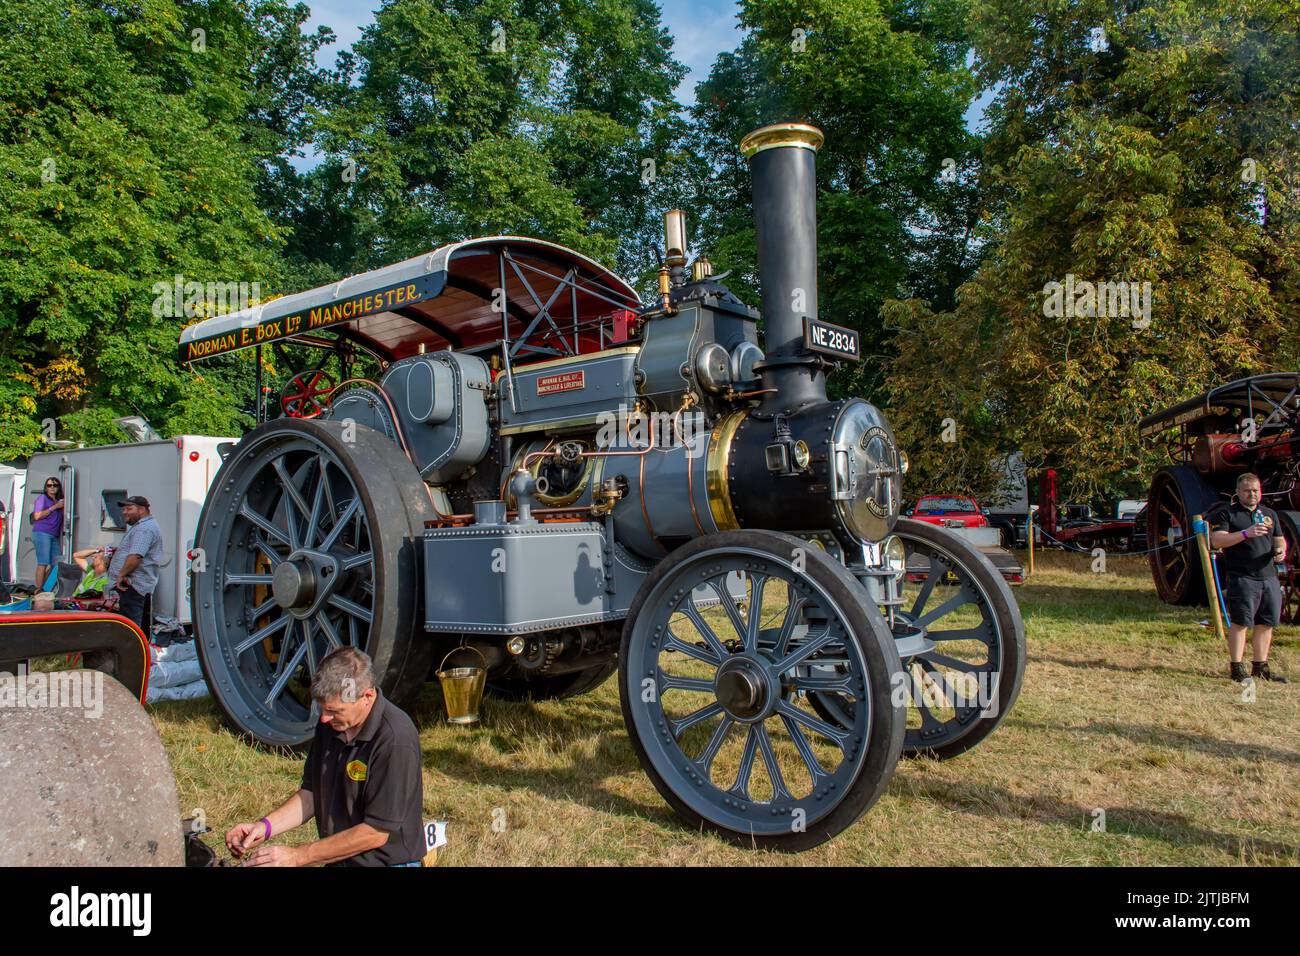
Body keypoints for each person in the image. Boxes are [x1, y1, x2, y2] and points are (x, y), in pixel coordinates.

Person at [226, 648, 425, 867]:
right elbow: (311, 793)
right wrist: (265, 827)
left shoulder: (395, 738)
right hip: (340, 859)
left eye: (335, 710)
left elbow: (375, 833)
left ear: (367, 697)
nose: (324, 718)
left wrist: (297, 856)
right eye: (322, 709)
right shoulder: (330, 725)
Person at [1209, 472, 1288, 683]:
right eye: (1247, 491)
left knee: (1266, 623)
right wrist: (1246, 533)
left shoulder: (1270, 514)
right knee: (1241, 622)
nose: (1252, 494)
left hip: (1268, 576)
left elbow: (1279, 540)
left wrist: (1281, 551)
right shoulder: (1228, 514)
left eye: (1256, 490)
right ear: (1238, 492)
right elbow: (1217, 540)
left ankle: (1260, 667)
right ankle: (1237, 667)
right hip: (1242, 576)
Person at [104, 495, 163, 630]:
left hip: (133, 586)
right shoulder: (142, 526)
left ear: (141, 510)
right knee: (129, 624)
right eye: (124, 509)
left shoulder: (144, 529)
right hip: (132, 586)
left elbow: (136, 556)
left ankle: (132, 650)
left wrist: (121, 575)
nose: (124, 512)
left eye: (129, 509)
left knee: (130, 628)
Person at [30, 476, 65, 588]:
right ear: (46, 488)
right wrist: (54, 507)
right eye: (49, 485)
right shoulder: (43, 498)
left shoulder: (59, 500)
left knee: (57, 564)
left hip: (53, 535)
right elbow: (37, 515)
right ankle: (39, 590)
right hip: (42, 533)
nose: (52, 488)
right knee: (43, 563)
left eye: (55, 485)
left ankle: (43, 588)